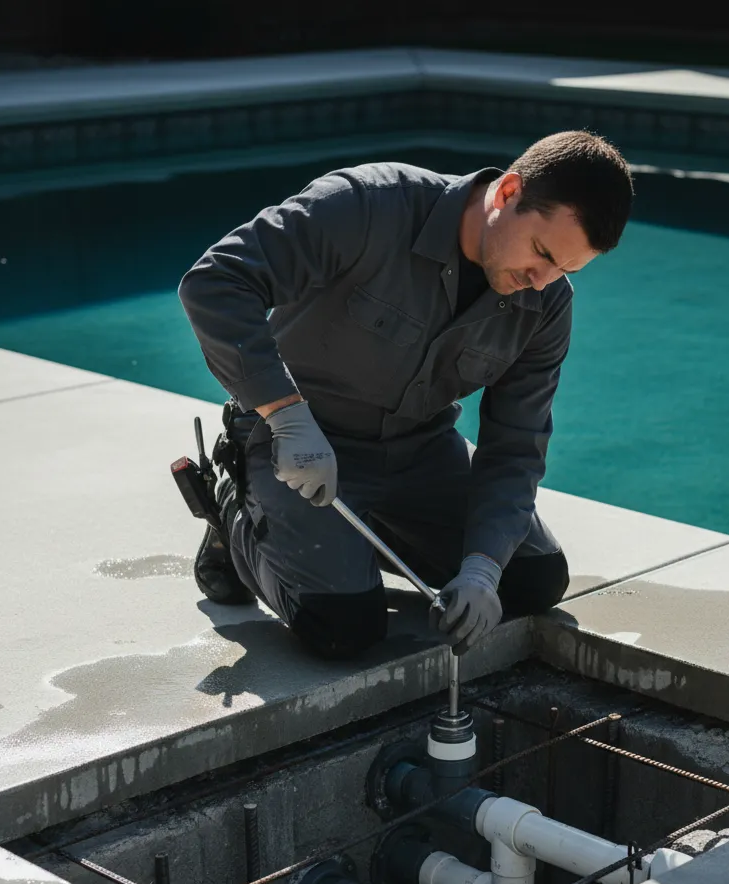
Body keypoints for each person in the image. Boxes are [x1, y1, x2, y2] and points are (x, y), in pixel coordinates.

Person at [177, 130, 633, 659]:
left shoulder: (548, 302)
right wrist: (283, 412)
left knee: (532, 580)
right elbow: (215, 281)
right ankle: (234, 506)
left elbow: (516, 445)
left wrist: (482, 569)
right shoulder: (365, 205)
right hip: (295, 444)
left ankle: (353, 541)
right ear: (508, 193)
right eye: (541, 253)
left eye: (565, 269)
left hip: (421, 452)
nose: (542, 280)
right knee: (343, 628)